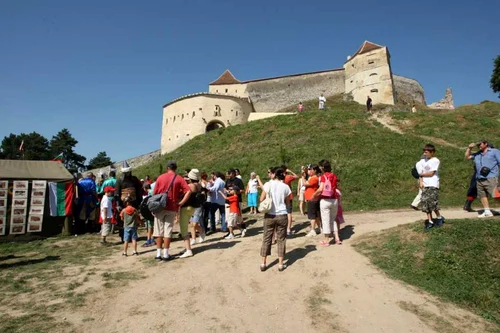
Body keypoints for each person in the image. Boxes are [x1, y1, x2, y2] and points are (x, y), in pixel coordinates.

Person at [153, 160, 191, 261]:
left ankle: (158, 254)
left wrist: (154, 207)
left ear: (167, 168)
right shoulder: (179, 178)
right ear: (176, 168)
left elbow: (154, 193)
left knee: (158, 231)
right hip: (172, 207)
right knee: (168, 231)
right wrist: (181, 202)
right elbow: (188, 191)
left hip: (160, 207)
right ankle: (166, 254)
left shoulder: (160, 177)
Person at [259, 167, 291, 272]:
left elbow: (261, 199)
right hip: (282, 214)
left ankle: (263, 263)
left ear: (274, 174)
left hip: (270, 214)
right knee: (281, 239)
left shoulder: (268, 184)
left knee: (267, 238)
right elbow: (287, 202)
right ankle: (281, 264)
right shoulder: (286, 187)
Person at [465, 139, 500, 217]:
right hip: (479, 178)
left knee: (496, 195)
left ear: (486, 144)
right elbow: (467, 157)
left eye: (480, 144)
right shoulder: (478, 154)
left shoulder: (494, 151)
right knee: (482, 195)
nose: (479, 146)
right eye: (478, 145)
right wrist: (469, 148)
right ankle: (487, 211)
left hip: (491, 177)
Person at [115, 161, 143, 242]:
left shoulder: (134, 179)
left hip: (133, 202)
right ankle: (123, 236)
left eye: (128, 171)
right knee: (122, 220)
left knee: (134, 218)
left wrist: (139, 201)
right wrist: (117, 204)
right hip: (123, 203)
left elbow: (138, 190)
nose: (127, 173)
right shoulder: (119, 180)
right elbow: (117, 193)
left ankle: (133, 235)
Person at [314, 160, 341, 246]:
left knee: (325, 220)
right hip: (334, 199)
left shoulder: (323, 176)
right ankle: (337, 238)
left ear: (322, 167)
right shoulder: (334, 175)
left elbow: (321, 189)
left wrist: (314, 195)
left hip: (325, 200)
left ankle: (326, 240)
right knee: (333, 220)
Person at [419, 144, 445, 230]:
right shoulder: (423, 161)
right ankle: (430, 221)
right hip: (425, 185)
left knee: (432, 204)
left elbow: (431, 173)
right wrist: (421, 181)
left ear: (432, 152)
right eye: (424, 152)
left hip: (433, 184)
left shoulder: (435, 160)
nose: (425, 153)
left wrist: (421, 174)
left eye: (426, 152)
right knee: (425, 203)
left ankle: (439, 217)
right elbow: (421, 172)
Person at [183, 169, 205, 249]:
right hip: (197, 205)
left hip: (193, 206)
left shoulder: (191, 185)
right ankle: (194, 238)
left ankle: (201, 232)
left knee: (194, 224)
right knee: (192, 224)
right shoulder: (199, 185)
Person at [225, 169, 246, 237]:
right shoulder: (228, 181)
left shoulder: (238, 181)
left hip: (236, 201)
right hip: (228, 201)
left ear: (233, 174)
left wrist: (235, 192)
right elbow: (224, 188)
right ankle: (231, 232)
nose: (228, 175)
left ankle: (243, 228)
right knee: (228, 217)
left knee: (238, 217)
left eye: (229, 173)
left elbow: (243, 190)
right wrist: (227, 191)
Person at [303, 164, 321, 237]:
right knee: (316, 215)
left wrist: (303, 177)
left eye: (311, 169)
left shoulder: (314, 178)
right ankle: (319, 227)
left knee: (312, 215)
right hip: (312, 198)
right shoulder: (312, 177)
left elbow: (305, 184)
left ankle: (313, 230)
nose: (309, 171)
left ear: (315, 170)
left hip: (311, 198)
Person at [282, 165, 298, 235]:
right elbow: (296, 176)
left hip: (281, 197)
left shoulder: (279, 178)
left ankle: (283, 228)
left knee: (283, 213)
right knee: (289, 213)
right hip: (288, 196)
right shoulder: (288, 177)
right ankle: (288, 229)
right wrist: (290, 171)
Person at [141, 183, 155, 247]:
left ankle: (149, 240)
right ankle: (152, 239)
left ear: (144, 188)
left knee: (149, 227)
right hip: (154, 212)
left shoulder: (150, 193)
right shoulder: (153, 191)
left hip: (150, 212)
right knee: (152, 226)